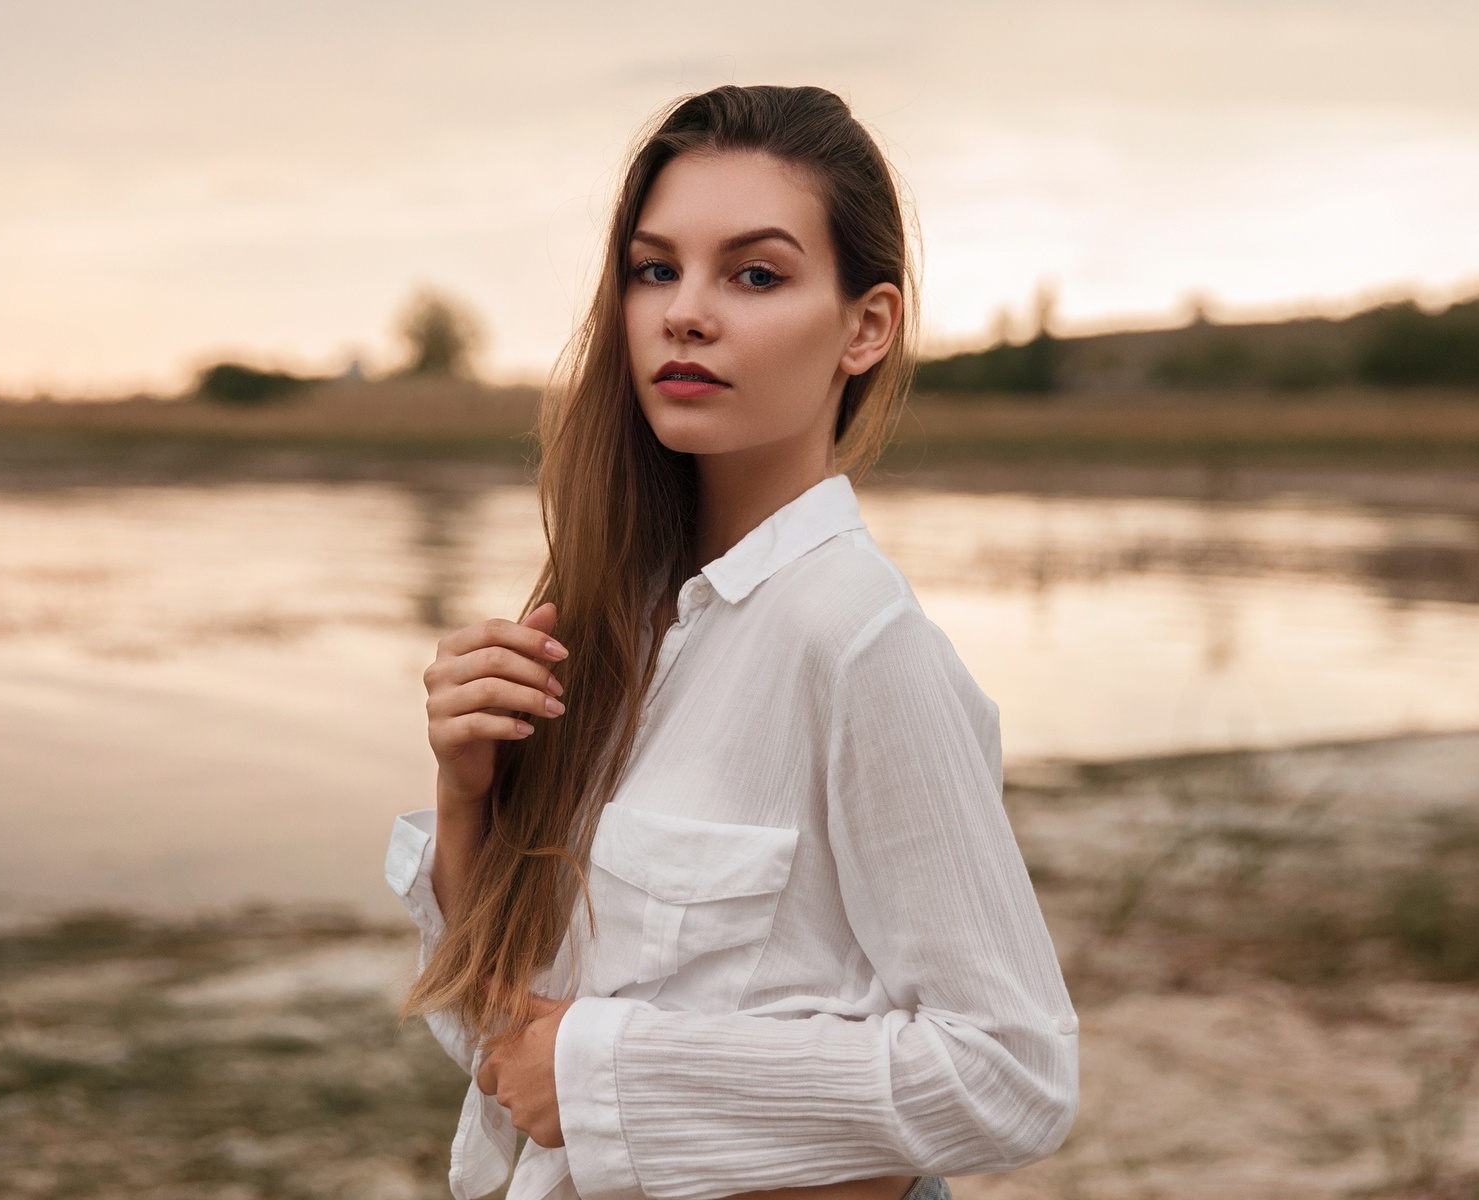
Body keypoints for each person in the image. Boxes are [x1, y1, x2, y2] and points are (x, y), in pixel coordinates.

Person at [385, 84, 1078, 1200]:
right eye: (656, 269)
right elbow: (506, 1053)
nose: (685, 313)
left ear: (867, 326)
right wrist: (468, 793)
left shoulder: (858, 639)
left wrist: (614, 1066)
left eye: (755, 274)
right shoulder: (615, 623)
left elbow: (1013, 1073)